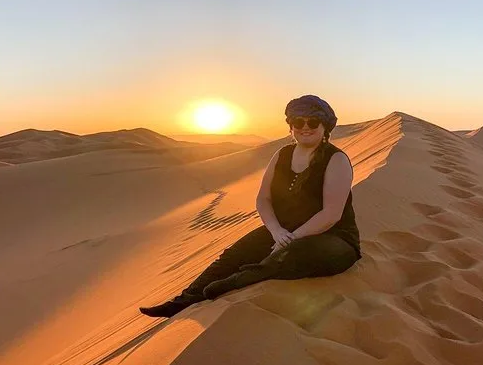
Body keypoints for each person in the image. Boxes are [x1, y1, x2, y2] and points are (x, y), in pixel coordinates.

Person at [139, 95, 361, 318]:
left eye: (312, 122)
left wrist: (291, 239)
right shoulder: (282, 155)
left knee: (291, 255)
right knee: (233, 255)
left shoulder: (336, 160)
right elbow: (263, 199)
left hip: (333, 239)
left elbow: (330, 214)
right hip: (283, 230)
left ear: (325, 126)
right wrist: (276, 231)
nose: (305, 127)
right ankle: (183, 301)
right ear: (291, 126)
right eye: (298, 122)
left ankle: (236, 282)